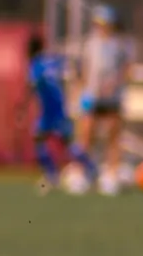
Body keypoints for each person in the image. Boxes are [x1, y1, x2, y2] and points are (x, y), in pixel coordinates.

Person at [16, 31, 96, 192]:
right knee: (59, 142)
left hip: (50, 111)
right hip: (59, 108)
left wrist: (22, 108)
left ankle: (83, 169)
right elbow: (68, 65)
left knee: (53, 141)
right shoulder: (51, 61)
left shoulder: (35, 65)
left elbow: (32, 86)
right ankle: (83, 169)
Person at [76, 6, 131, 194]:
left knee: (113, 135)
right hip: (91, 96)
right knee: (86, 133)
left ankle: (111, 174)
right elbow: (83, 70)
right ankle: (83, 172)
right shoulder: (89, 44)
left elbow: (128, 69)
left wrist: (116, 84)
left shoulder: (120, 45)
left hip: (113, 97)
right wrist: (82, 94)